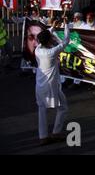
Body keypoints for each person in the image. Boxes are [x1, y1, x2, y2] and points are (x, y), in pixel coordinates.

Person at [34, 17, 70, 145]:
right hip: (51, 86)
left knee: (42, 110)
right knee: (63, 107)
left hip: (39, 85)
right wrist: (66, 25)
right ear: (49, 40)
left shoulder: (37, 50)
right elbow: (66, 41)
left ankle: (43, 136)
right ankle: (56, 133)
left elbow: (43, 38)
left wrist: (53, 27)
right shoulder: (51, 52)